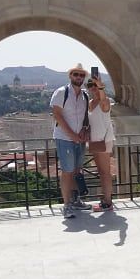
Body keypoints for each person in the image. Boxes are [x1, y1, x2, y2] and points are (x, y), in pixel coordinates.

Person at [50, 64, 93, 219]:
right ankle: (66, 205)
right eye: (76, 74)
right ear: (70, 76)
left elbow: (85, 118)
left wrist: (85, 130)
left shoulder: (85, 96)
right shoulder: (61, 93)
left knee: (76, 171)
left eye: (81, 75)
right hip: (64, 138)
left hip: (79, 140)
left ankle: (76, 201)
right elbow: (57, 115)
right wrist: (72, 135)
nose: (79, 77)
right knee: (67, 172)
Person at [86, 75, 116, 211]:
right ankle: (105, 199)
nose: (93, 88)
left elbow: (103, 99)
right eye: (90, 85)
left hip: (104, 141)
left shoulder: (105, 101)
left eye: (95, 85)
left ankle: (108, 202)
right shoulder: (91, 102)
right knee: (101, 171)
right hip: (95, 141)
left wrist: (101, 86)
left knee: (105, 172)